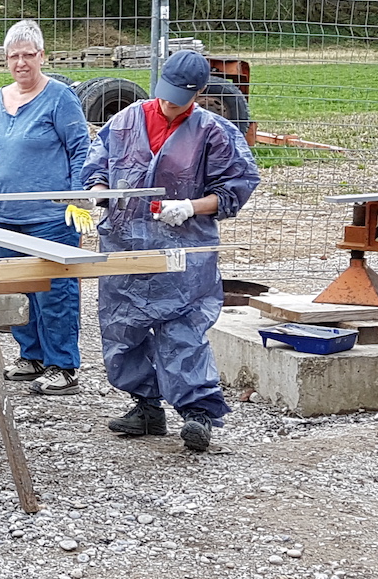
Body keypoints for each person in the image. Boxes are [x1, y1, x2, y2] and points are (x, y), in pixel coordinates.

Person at [80, 50, 261, 453]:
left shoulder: (213, 132)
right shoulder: (124, 121)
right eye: (165, 93)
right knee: (121, 325)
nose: (169, 103)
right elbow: (97, 165)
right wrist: (98, 194)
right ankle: (146, 406)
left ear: (197, 92)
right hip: (123, 243)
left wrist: (191, 207)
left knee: (183, 328)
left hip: (184, 248)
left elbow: (238, 186)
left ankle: (197, 413)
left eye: (180, 96)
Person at [0, 20, 97, 396]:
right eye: (14, 56)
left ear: (42, 56)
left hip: (50, 218)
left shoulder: (59, 98)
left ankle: (63, 365)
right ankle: (32, 355)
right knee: (20, 290)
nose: (21, 62)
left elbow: (80, 149)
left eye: (29, 55)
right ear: (5, 60)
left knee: (55, 292)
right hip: (7, 218)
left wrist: (78, 199)